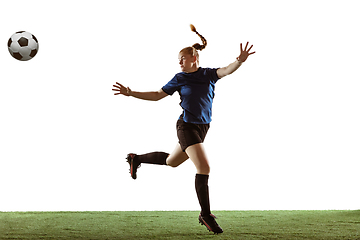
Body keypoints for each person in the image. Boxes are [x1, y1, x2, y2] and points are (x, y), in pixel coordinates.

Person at [112, 24, 255, 234]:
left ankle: (136, 158)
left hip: (203, 127)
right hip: (186, 126)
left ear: (194, 58)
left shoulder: (208, 74)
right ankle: (205, 214)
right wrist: (131, 92)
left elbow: (226, 70)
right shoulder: (180, 78)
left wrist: (239, 61)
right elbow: (157, 94)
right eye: (178, 60)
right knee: (204, 167)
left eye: (183, 58)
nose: (179, 62)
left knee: (172, 161)